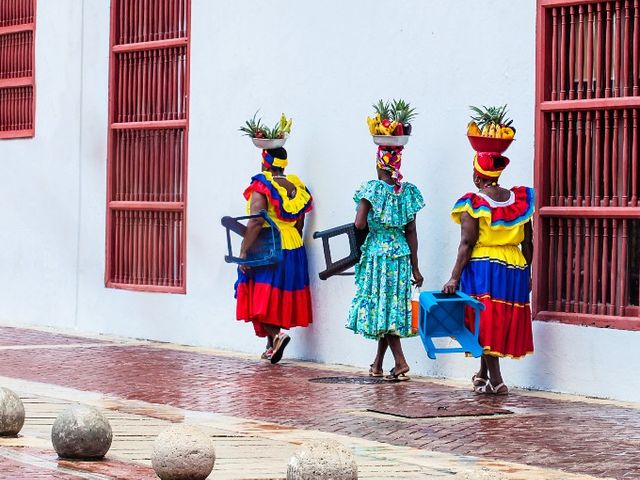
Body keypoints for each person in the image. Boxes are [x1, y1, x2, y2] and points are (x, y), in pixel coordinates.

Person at [442, 152, 534, 395]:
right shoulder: (520, 200)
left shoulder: (472, 203)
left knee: (484, 321)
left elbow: (467, 243)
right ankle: (483, 374)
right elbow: (529, 242)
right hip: (515, 264)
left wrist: (454, 276)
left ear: (476, 176)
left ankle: (497, 379)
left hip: (484, 265)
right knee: (498, 319)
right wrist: (528, 272)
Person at [347, 145, 424, 381]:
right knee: (389, 307)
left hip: (378, 254)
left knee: (383, 307)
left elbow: (359, 224)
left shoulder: (372, 189)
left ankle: (400, 362)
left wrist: (374, 221)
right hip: (400, 254)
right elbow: (411, 230)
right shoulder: (407, 192)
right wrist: (415, 267)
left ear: (379, 163)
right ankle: (378, 364)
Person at [235, 147, 313, 364]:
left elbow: (256, 221)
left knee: (257, 296)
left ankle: (278, 336)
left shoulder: (262, 186)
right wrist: (293, 244)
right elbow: (299, 221)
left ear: (264, 162)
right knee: (276, 296)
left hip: (269, 246)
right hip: (294, 246)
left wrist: (244, 250)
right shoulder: (296, 186)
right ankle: (271, 345)